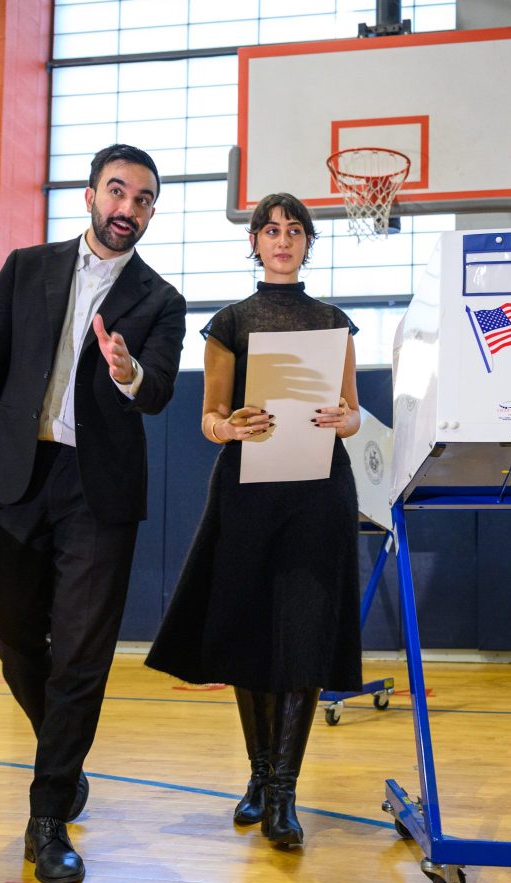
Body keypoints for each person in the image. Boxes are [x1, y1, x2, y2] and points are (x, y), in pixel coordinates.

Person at [0, 144, 186, 883]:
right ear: (89, 195)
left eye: (142, 200)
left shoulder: (161, 299)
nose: (127, 209)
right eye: (118, 192)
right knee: (13, 633)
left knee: (80, 651)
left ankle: (47, 819)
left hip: (99, 489)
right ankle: (62, 751)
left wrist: (127, 370)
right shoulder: (27, 268)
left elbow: (160, 389)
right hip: (18, 473)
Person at [145, 193, 362, 847]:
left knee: (304, 635)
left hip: (319, 490)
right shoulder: (230, 322)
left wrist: (343, 420)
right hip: (247, 490)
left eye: (295, 230)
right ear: (255, 243)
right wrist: (228, 425)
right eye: (271, 229)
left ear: (307, 244)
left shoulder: (332, 321)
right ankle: (260, 774)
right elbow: (210, 419)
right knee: (249, 636)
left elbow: (352, 412)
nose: (282, 239)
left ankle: (284, 796)